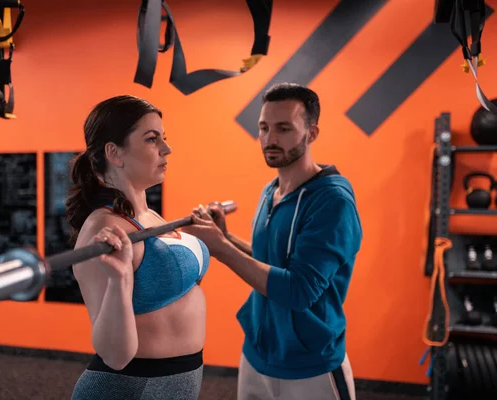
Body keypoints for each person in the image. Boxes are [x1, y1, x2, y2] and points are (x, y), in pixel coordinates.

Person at [184, 82, 363, 400]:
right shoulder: (272, 191)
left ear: (311, 133)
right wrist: (226, 238)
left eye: (284, 128)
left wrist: (221, 249)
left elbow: (299, 290)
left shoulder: (332, 201)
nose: (270, 139)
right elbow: (273, 263)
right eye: (264, 128)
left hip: (311, 366)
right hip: (257, 355)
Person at [65, 95, 210, 400]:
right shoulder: (103, 229)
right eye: (151, 139)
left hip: (177, 382)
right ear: (114, 153)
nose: (166, 149)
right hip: (131, 388)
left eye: (164, 138)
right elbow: (115, 355)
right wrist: (119, 281)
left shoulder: (150, 217)